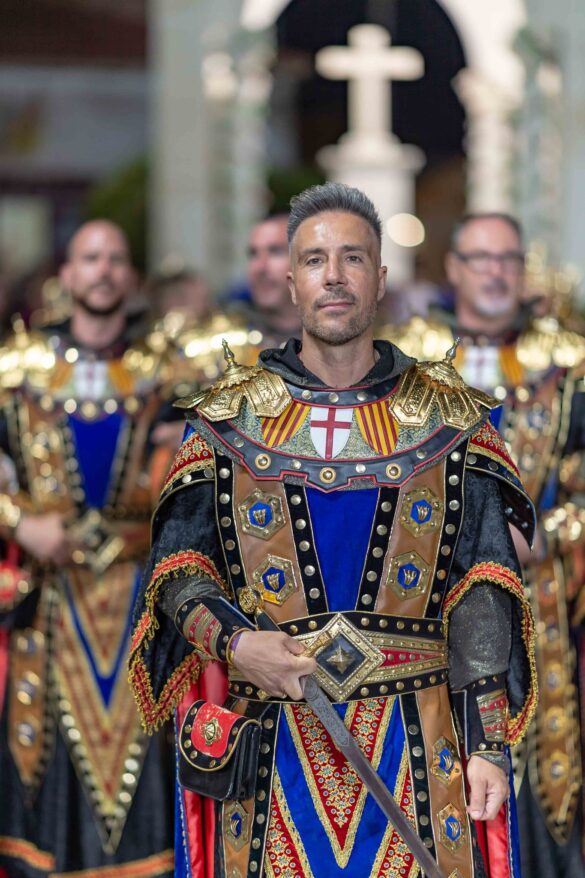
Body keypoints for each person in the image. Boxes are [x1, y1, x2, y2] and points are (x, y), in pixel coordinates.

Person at [130, 185, 537, 878]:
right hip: (271, 747)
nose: (335, 276)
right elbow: (176, 572)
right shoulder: (228, 420)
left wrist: (488, 744)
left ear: (381, 277)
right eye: (315, 260)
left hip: (420, 746)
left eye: (354, 258)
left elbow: (483, 584)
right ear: (291, 281)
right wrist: (236, 643)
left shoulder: (449, 419)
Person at [389, 212, 585, 878]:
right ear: (453, 268)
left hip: (544, 606)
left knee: (541, 779)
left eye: (508, 259)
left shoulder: (567, 364)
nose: (495, 272)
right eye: (480, 258)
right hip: (435, 610)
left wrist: (545, 535)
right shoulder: (409, 366)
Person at [0, 220, 184, 877]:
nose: (103, 270)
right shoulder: (16, 371)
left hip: (139, 600)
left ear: (130, 277)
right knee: (51, 764)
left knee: (146, 757)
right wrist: (18, 523)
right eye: (90, 257)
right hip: (51, 600)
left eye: (115, 258)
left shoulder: (170, 373)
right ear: (68, 274)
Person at [242, 213, 302, 348]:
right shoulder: (225, 339)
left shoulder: (337, 338)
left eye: (276, 252)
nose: (260, 267)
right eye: (253, 254)